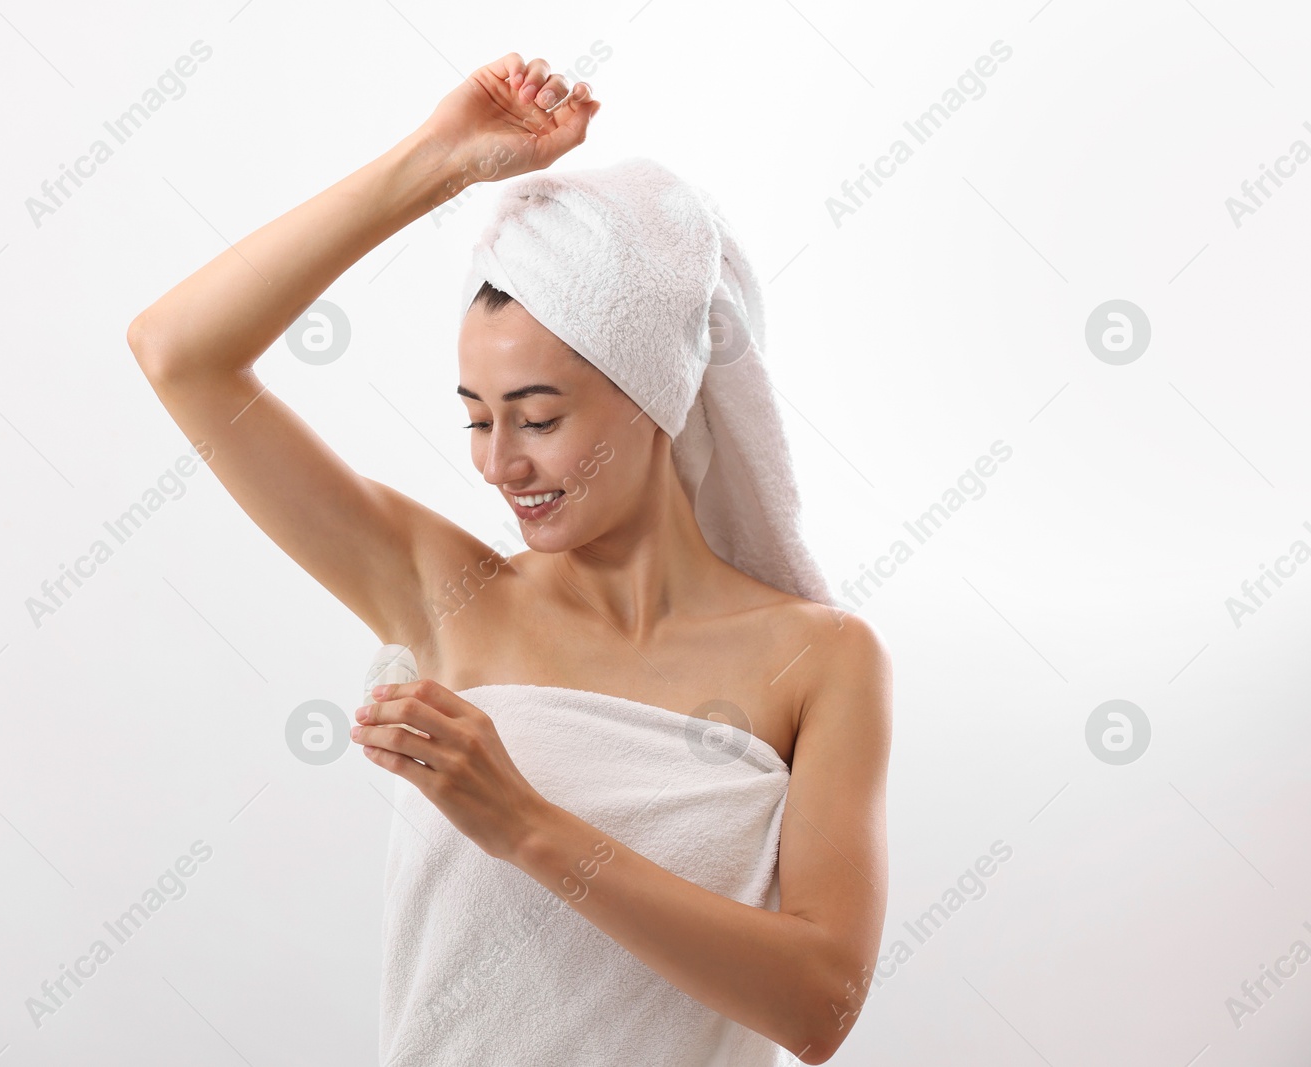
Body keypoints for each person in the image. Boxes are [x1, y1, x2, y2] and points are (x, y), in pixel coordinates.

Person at [127, 52, 892, 1065]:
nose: (499, 463)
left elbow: (818, 1003)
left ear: (654, 392)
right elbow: (178, 349)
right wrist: (437, 166)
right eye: (477, 419)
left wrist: (523, 821)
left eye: (537, 417)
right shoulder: (445, 596)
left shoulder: (819, 658)